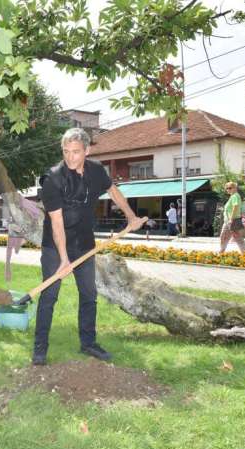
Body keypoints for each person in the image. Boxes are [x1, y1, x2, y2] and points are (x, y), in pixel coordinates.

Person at [33, 128, 144, 365]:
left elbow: (113, 191)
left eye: (76, 152)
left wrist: (131, 216)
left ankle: (88, 343)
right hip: (55, 245)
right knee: (49, 295)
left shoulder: (96, 171)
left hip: (84, 243)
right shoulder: (52, 179)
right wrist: (63, 259)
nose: (71, 157)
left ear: (87, 150)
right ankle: (40, 348)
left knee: (88, 295)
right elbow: (56, 222)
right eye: (66, 152)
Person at [219, 181, 245, 253]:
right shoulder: (233, 196)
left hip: (232, 220)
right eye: (227, 188)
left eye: (230, 188)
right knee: (224, 236)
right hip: (228, 220)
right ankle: (222, 251)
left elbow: (235, 206)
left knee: (236, 237)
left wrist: (231, 218)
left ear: (235, 188)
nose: (228, 190)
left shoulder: (235, 196)